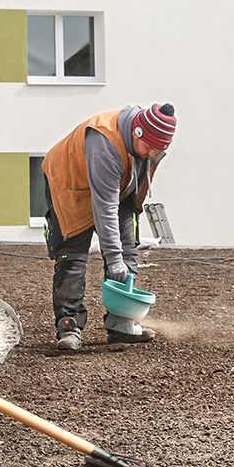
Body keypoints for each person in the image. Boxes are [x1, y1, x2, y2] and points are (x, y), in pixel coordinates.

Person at [40, 103, 176, 350]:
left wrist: (120, 256)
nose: (149, 154)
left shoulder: (145, 144)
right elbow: (105, 207)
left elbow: (116, 203)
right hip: (69, 183)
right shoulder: (104, 142)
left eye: (157, 151)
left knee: (128, 249)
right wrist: (113, 259)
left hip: (119, 185)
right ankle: (69, 327)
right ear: (136, 132)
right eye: (148, 148)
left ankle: (121, 324)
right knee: (72, 254)